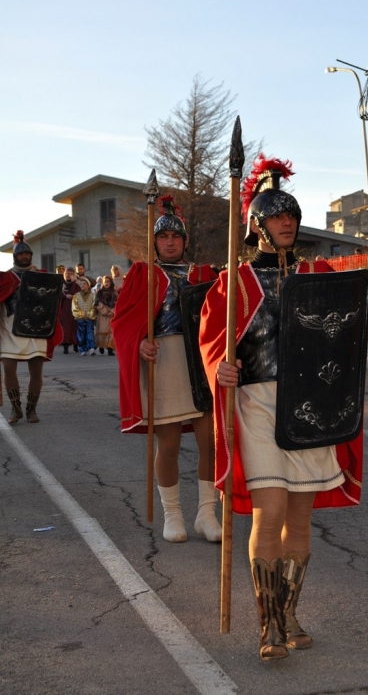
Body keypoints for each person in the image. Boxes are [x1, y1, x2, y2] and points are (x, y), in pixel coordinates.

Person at [199, 155, 363, 661]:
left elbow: (345, 338)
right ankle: (268, 624)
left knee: (300, 515)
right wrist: (219, 370)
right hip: (259, 403)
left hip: (311, 404)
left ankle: (289, 611)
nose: (287, 221)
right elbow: (212, 342)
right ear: (256, 225)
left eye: (291, 214)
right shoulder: (235, 283)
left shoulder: (319, 276)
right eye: (276, 215)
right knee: (269, 513)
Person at [112, 195, 221, 544]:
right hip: (164, 360)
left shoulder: (204, 274)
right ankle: (173, 514)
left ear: (185, 241)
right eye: (163, 237)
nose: (170, 242)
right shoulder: (142, 274)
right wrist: (138, 343)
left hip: (200, 362)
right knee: (169, 444)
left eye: (176, 237)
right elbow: (121, 324)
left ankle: (207, 514)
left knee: (211, 442)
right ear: (155, 242)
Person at [0, 231, 63, 423]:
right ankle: (15, 409)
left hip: (37, 330)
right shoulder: (5, 278)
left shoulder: (42, 276)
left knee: (36, 371)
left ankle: (31, 409)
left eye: (27, 254)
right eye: (20, 254)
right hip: (10, 329)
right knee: (9, 369)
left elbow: (53, 303)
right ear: (15, 256)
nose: (24, 256)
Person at [71, 277, 97, 356]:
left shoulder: (93, 295)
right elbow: (74, 307)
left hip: (89, 318)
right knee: (81, 333)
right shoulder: (76, 295)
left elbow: (94, 306)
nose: (82, 285)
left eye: (84, 284)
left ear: (88, 285)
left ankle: (91, 347)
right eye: (81, 284)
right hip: (80, 318)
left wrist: (89, 314)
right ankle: (82, 348)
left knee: (90, 332)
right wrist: (82, 314)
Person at [60, 266, 81, 354]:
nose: (69, 275)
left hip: (75, 308)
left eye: (71, 273)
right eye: (68, 273)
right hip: (65, 308)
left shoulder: (76, 284)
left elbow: (79, 293)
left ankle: (75, 345)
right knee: (66, 327)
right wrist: (65, 296)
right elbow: (58, 294)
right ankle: (65, 346)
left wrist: (74, 283)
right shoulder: (62, 284)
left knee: (74, 326)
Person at [95, 275, 117, 355]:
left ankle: (110, 348)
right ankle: (101, 346)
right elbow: (98, 304)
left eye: (108, 281)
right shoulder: (100, 293)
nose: (106, 283)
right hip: (103, 316)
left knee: (111, 332)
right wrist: (105, 311)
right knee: (102, 331)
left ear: (111, 283)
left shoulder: (114, 293)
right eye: (105, 282)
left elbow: (117, 303)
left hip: (111, 315)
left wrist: (113, 311)